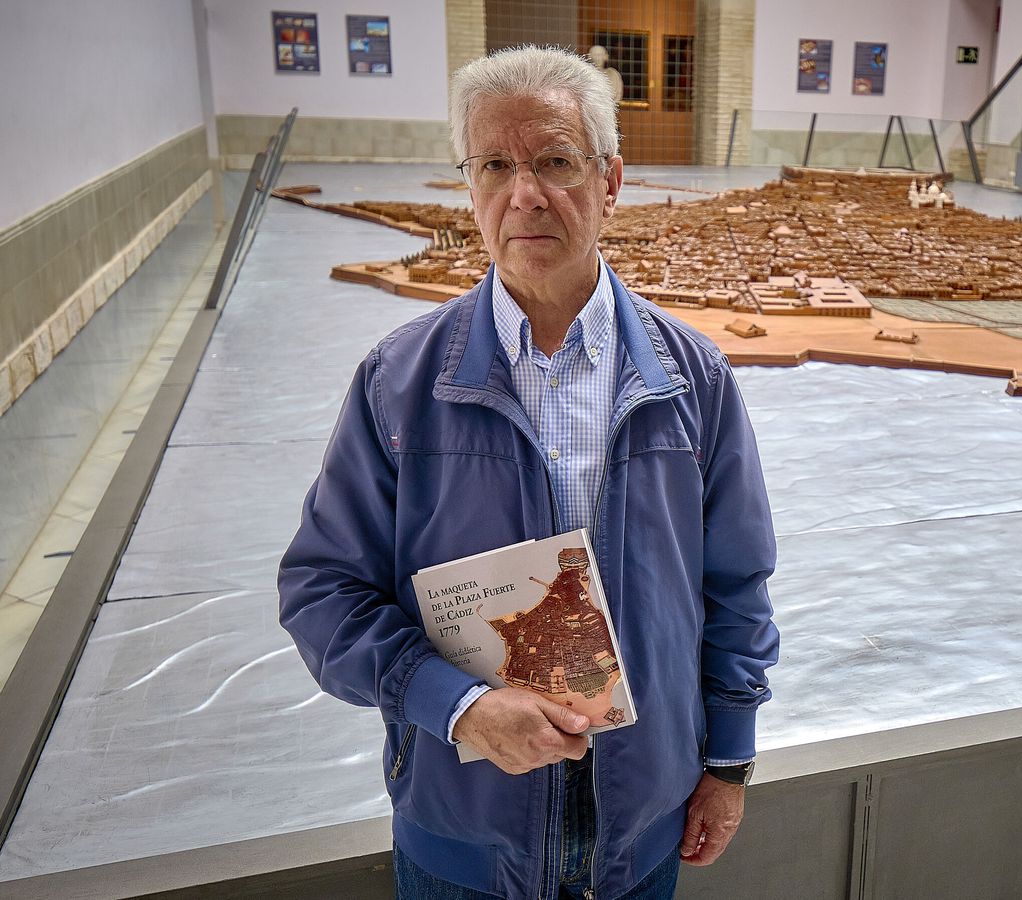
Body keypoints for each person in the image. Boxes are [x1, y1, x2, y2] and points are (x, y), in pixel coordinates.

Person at [279, 45, 779, 900]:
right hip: (464, 837)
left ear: (610, 180)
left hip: (643, 835)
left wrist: (728, 760)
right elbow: (322, 593)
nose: (525, 195)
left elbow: (735, 585)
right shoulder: (399, 383)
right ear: (468, 186)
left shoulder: (692, 379)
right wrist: (458, 706)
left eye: (555, 161)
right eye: (495, 166)